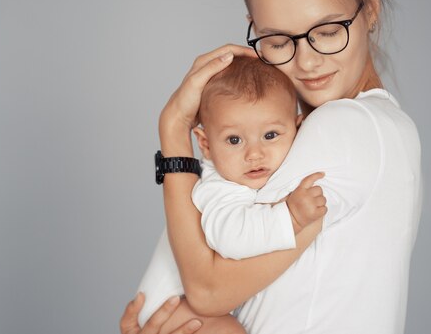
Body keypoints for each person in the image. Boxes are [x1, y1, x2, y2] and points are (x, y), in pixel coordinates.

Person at [121, 0, 422, 333]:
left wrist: (174, 126)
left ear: (370, 10)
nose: (307, 61)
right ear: (253, 26)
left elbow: (206, 291)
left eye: (329, 31)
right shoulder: (381, 127)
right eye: (278, 41)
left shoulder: (344, 127)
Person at [136, 57, 326, 333]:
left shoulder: (245, 176)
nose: (254, 154)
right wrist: (292, 217)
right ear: (206, 145)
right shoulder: (217, 188)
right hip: (169, 308)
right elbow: (232, 238)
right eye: (234, 140)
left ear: (298, 129)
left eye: (271, 135)